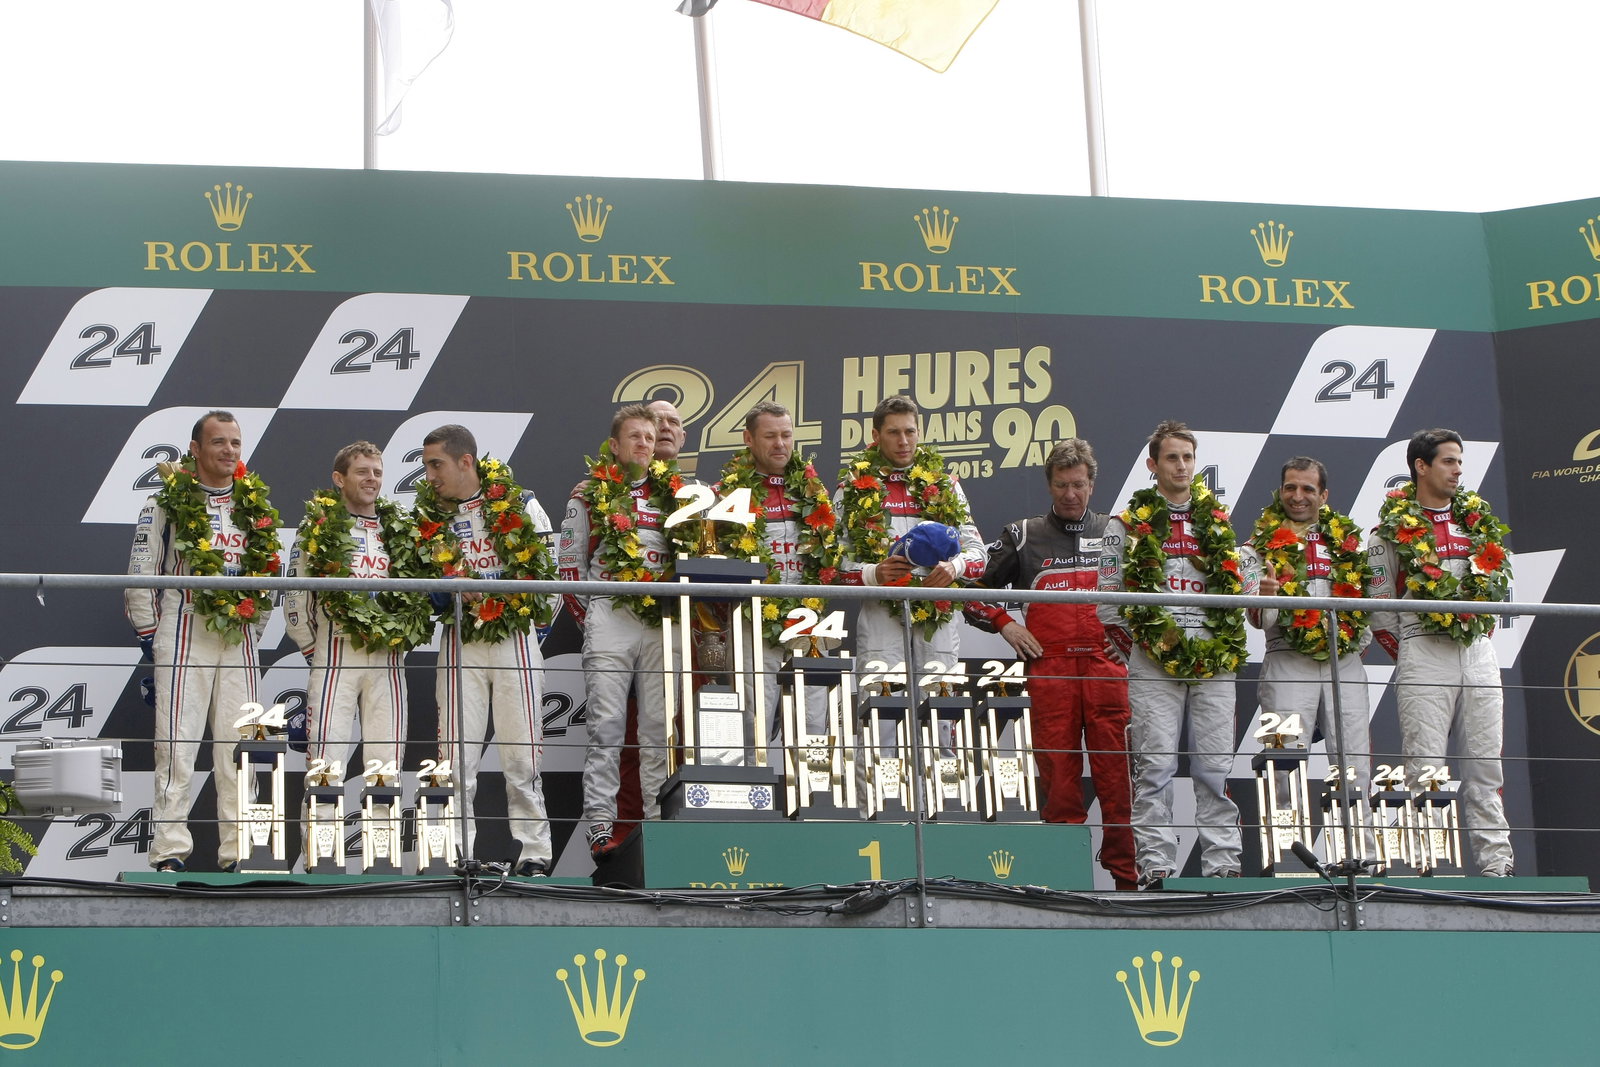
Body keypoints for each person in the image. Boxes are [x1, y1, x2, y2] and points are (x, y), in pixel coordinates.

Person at [966, 439, 1137, 890]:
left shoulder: (1119, 532)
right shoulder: (1023, 534)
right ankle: (1067, 882)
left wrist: (1130, 641)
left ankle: (1128, 882)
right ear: (1049, 484)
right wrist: (1005, 623)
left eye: (1078, 484)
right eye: (1061, 485)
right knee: (1058, 778)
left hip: (1107, 671)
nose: (1070, 494)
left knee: (1118, 779)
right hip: (1051, 670)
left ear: (1092, 484)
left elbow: (1150, 598)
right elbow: (971, 592)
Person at [1097, 420, 1255, 887]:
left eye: (1188, 457)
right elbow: (1108, 602)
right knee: (1156, 767)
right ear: (1153, 464)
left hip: (1214, 663)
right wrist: (1148, 653)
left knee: (1214, 767)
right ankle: (1156, 866)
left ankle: (1223, 865)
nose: (1181, 466)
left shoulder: (1217, 521)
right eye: (1172, 457)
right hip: (1153, 664)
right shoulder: (1124, 524)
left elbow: (1236, 591)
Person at [127, 410, 281, 873]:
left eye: (235, 442)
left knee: (240, 747)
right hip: (185, 628)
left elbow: (268, 576)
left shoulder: (254, 505)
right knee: (175, 746)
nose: (229, 450)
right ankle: (169, 852)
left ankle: (239, 853)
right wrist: (153, 638)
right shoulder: (166, 501)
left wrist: (254, 629)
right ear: (195, 449)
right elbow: (140, 573)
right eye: (218, 442)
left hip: (238, 638)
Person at [1368, 428, 1514, 876]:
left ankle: (1497, 864)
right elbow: (1379, 609)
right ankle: (1430, 866)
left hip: (1477, 650)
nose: (1458, 470)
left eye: (1460, 462)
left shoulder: (1477, 522)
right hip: (1422, 650)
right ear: (1421, 466)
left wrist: (1477, 631)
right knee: (1425, 767)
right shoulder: (1387, 532)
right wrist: (1412, 652)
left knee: (1486, 765)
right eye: (1449, 461)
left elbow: (1495, 590)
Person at [415, 424, 557, 877]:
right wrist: (449, 588)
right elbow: (423, 588)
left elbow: (549, 575)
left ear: (466, 461)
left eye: (436, 464)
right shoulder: (428, 515)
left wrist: (532, 634)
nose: (429, 475)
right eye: (427, 466)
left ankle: (534, 854)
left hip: (515, 639)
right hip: (461, 641)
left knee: (522, 758)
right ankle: (457, 853)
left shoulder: (520, 502)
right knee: (456, 759)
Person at [285, 442, 431, 869]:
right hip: (335, 655)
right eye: (362, 471)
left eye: (377, 473)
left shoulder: (396, 529)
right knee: (325, 764)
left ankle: (381, 859)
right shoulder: (318, 526)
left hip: (388, 660)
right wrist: (313, 650)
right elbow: (295, 595)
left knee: (386, 765)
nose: (371, 480)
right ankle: (321, 859)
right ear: (339, 478)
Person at [560, 404, 687, 855]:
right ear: (614, 445)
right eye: (635, 436)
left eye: (649, 438)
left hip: (660, 621)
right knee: (606, 727)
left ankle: (656, 820)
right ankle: (600, 823)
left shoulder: (676, 495)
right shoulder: (589, 493)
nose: (644, 444)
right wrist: (593, 620)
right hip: (610, 615)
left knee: (659, 730)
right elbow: (569, 568)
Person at [712, 401, 841, 746]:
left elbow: (829, 555)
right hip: (753, 618)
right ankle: (753, 782)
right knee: (754, 719)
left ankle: (814, 781)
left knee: (813, 720)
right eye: (770, 436)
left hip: (808, 617)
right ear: (749, 439)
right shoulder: (728, 493)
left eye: (786, 435)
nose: (780, 444)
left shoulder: (812, 490)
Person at [835, 395, 986, 685]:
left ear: (919, 432)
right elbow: (833, 566)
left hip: (937, 614)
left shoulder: (946, 486)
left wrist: (955, 567)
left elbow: (979, 554)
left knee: (939, 706)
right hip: (882, 612)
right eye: (893, 432)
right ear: (876, 435)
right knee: (882, 705)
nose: (903, 441)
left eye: (910, 431)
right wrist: (873, 573)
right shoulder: (852, 488)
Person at [1249, 457, 1374, 803]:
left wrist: (1349, 645)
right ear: (1280, 491)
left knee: (1354, 763)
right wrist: (1266, 597)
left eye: (1307, 488)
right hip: (1287, 657)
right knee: (1283, 764)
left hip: (1343, 659)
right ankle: (1287, 838)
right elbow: (1258, 620)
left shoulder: (1347, 542)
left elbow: (1368, 608)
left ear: (1323, 495)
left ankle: (1357, 839)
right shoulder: (1258, 544)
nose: (1297, 496)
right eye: (1290, 487)